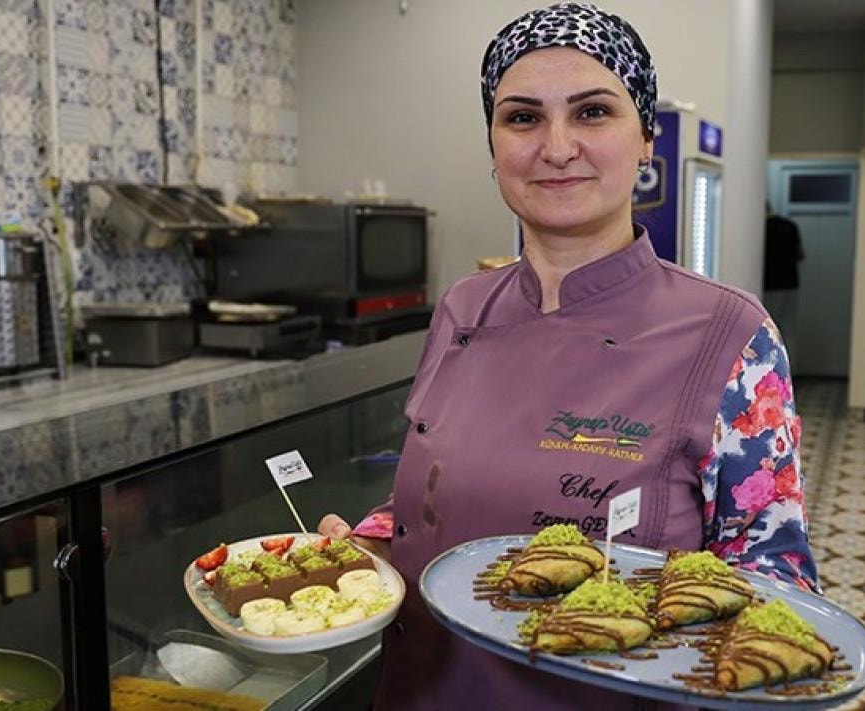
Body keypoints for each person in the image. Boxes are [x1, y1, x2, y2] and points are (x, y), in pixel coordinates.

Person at [317, 4, 818, 709]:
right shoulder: (462, 307)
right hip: (419, 690)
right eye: (522, 117)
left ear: (645, 140)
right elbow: (436, 493)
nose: (556, 147)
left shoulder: (731, 334)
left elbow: (775, 580)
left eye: (592, 112)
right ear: (494, 147)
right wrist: (372, 541)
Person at [763, 203, 805, 364]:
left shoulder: (761, 229)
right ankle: (790, 370)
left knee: (767, 331)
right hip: (791, 284)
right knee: (789, 330)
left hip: (769, 285)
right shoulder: (790, 226)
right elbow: (801, 254)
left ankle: (771, 369)